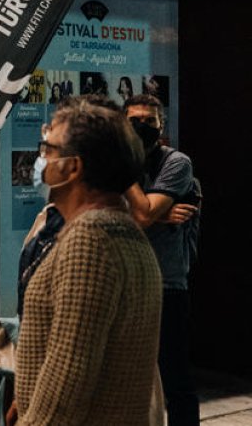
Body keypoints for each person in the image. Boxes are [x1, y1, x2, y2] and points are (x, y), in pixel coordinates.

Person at [14, 98, 162, 425]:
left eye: (49, 150)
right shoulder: (121, 233)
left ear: (74, 167)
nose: (41, 159)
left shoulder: (90, 242)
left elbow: (66, 386)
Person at [124, 93, 200, 426]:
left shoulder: (176, 162)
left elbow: (141, 217)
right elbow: (99, 210)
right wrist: (161, 212)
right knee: (127, 377)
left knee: (175, 379)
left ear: (161, 125)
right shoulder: (119, 161)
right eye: (134, 121)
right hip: (127, 281)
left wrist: (151, 211)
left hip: (166, 282)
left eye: (149, 121)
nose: (142, 127)